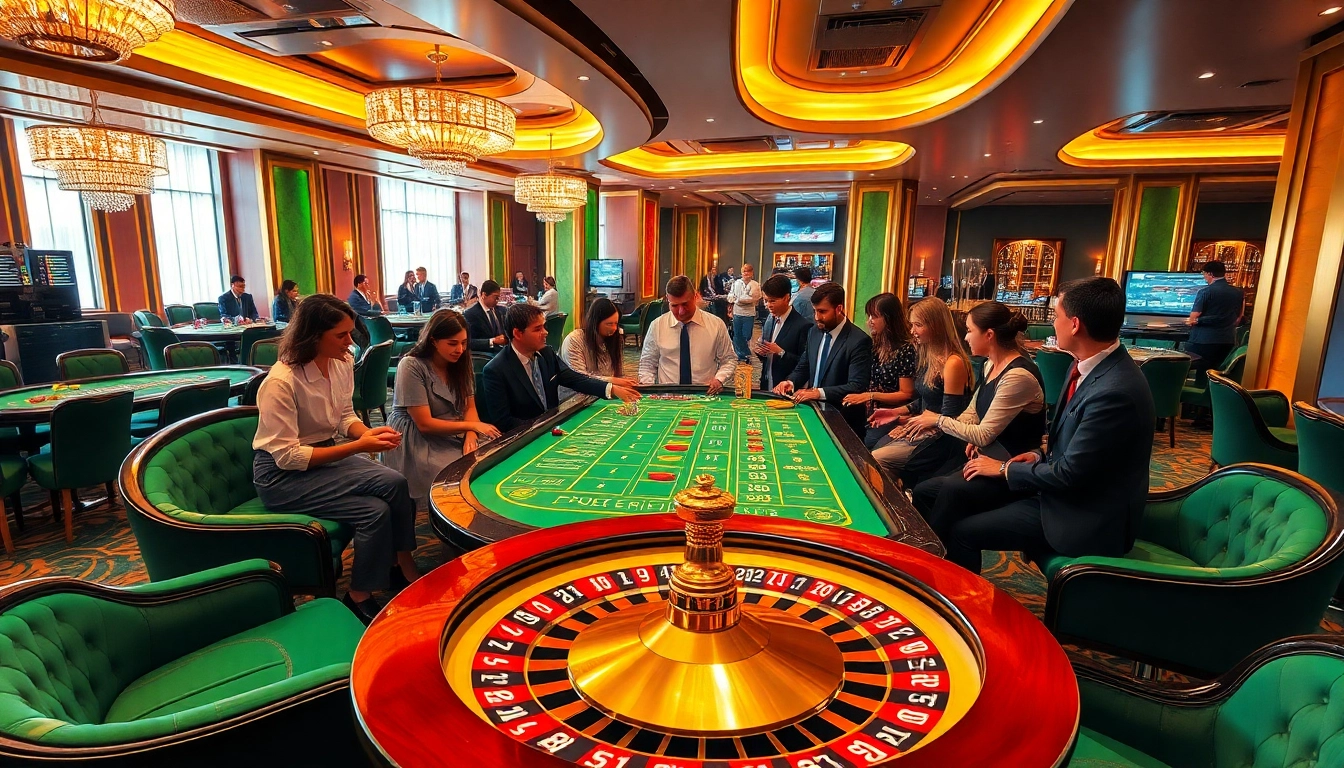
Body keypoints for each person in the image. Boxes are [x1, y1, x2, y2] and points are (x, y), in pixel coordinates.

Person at [942, 277, 1156, 574]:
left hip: (1086, 516)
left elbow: (1071, 474)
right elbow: (1077, 449)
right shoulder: (1085, 363)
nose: (1053, 323)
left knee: (962, 531)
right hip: (1064, 494)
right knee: (955, 498)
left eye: (1056, 315)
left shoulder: (1115, 390)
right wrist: (1038, 456)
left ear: (1075, 325)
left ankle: (964, 608)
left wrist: (1004, 469)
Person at [251, 294, 418, 624]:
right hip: (280, 476)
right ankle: (403, 566)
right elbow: (288, 457)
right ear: (313, 336)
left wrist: (364, 433)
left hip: (323, 457)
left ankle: (360, 592)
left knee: (375, 511)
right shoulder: (280, 382)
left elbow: (344, 415)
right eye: (341, 335)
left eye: (350, 332)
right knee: (394, 481)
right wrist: (358, 446)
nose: (350, 340)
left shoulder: (342, 363)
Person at [909, 304, 1046, 538]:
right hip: (986, 458)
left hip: (1011, 470)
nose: (965, 337)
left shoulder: (1018, 375)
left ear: (989, 335)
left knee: (951, 492)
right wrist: (955, 429)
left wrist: (938, 420)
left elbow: (984, 434)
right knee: (923, 491)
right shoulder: (990, 364)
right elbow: (972, 413)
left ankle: (937, 555)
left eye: (970, 330)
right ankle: (941, 552)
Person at [384, 311, 501, 505]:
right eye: (452, 343)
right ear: (433, 341)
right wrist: (472, 427)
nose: (460, 349)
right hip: (416, 438)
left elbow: (469, 408)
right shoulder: (411, 365)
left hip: (455, 429)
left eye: (463, 343)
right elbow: (425, 424)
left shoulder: (462, 362)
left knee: (491, 462)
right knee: (455, 475)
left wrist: (471, 436)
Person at [480, 304, 640, 431]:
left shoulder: (546, 353)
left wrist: (611, 388)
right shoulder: (495, 370)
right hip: (523, 440)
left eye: (544, 326)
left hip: (551, 428)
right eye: (538, 329)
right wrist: (541, 429)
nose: (546, 332)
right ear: (518, 333)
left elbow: (575, 379)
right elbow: (504, 422)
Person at [868, 298, 971, 482]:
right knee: (876, 448)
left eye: (918, 325)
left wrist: (911, 425)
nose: (912, 331)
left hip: (943, 437)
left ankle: (898, 507)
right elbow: (926, 399)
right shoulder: (927, 355)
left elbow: (951, 415)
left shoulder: (953, 362)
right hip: (925, 425)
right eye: (912, 324)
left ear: (936, 326)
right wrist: (895, 412)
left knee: (878, 458)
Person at [772, 282, 873, 435]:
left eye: (822, 311)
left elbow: (857, 386)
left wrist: (818, 392)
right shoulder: (814, 332)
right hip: (813, 414)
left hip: (842, 420)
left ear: (839, 309)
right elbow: (804, 366)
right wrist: (790, 382)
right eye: (814, 311)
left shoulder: (859, 341)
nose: (817, 317)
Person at [842, 293, 917, 449]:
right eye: (869, 316)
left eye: (874, 317)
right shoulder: (874, 344)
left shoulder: (906, 349)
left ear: (889, 319)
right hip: (870, 413)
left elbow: (906, 393)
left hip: (892, 414)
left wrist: (869, 396)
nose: (869, 322)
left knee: (869, 448)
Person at [639, 275, 737, 393]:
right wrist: (649, 389)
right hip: (668, 398)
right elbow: (647, 364)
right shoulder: (657, 326)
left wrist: (719, 379)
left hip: (704, 395)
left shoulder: (716, 325)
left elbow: (729, 359)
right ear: (667, 300)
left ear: (695, 296)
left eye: (685, 304)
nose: (681, 311)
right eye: (674, 306)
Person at [559, 297, 640, 400]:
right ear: (595, 322)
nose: (614, 328)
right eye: (609, 324)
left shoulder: (615, 338)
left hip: (602, 396)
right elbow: (579, 380)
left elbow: (617, 374)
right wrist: (613, 381)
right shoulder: (574, 340)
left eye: (616, 323)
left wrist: (621, 382)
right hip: (574, 400)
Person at [1184, 260, 1244, 380]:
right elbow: (1238, 317)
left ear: (1210, 274)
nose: (1204, 277)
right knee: (1217, 376)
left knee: (1200, 373)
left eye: (1204, 274)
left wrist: (1192, 321)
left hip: (1202, 341)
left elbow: (1194, 317)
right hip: (1227, 340)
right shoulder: (1238, 292)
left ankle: (1195, 395)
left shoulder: (1205, 292)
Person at [754, 274, 809, 391]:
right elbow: (768, 355)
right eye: (765, 300)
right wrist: (762, 352)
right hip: (767, 384)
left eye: (772, 301)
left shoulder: (802, 325)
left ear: (786, 298)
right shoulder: (770, 320)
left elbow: (805, 364)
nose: (768, 305)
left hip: (786, 387)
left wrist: (781, 353)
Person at [726, 264, 762, 362]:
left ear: (751, 273)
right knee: (737, 335)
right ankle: (741, 355)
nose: (746, 273)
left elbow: (755, 297)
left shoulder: (755, 284)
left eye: (748, 271)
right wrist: (733, 298)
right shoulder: (736, 283)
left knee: (747, 335)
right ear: (741, 272)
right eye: (744, 271)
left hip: (749, 313)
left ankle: (746, 353)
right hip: (737, 312)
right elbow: (730, 296)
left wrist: (738, 299)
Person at [464, 280, 509, 354]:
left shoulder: (502, 310)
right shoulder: (471, 314)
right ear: (484, 295)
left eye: (498, 297)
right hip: (487, 354)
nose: (497, 300)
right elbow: (468, 342)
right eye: (495, 297)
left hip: (504, 350)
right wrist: (492, 341)